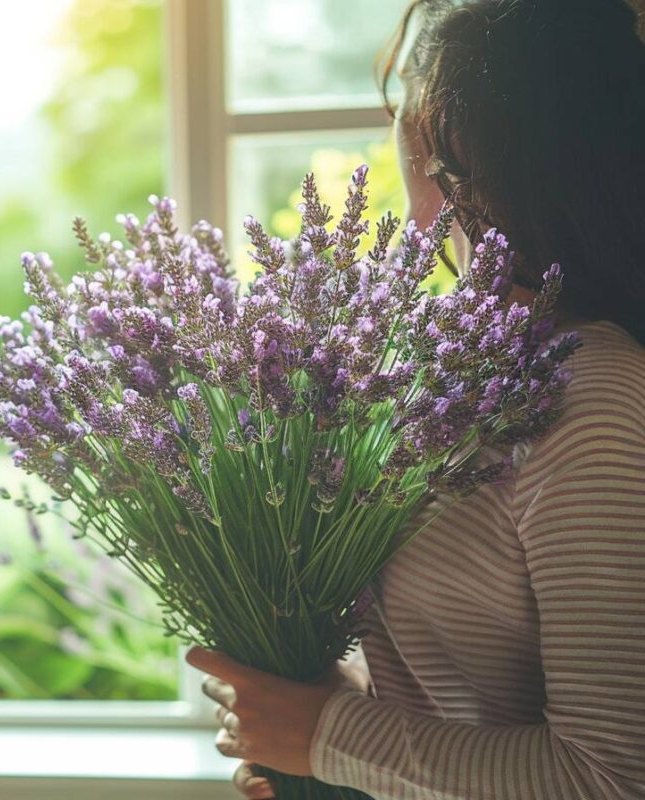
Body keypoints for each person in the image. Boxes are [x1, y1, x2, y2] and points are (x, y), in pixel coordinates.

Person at [185, 1, 645, 797]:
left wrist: (327, 737)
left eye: (405, 122)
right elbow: (455, 698)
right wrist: (314, 723)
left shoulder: (593, 405)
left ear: (459, 159)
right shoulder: (446, 383)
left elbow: (613, 775)